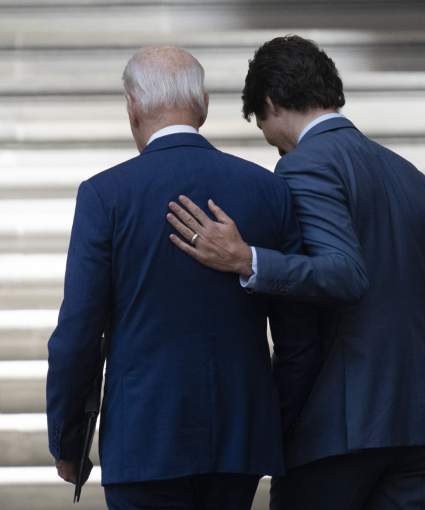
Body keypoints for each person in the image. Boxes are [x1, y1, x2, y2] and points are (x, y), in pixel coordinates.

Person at [168, 35, 425, 510]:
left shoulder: (303, 167)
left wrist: (248, 260)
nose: (272, 143)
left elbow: (343, 273)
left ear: (271, 103)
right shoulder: (411, 176)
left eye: (262, 126)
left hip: (341, 430)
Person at [46, 46, 320, 510]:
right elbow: (300, 337)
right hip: (238, 440)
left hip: (143, 441)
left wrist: (69, 440)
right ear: (204, 105)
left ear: (133, 106)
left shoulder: (105, 195)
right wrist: (271, 421)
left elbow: (78, 333)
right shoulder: (268, 189)